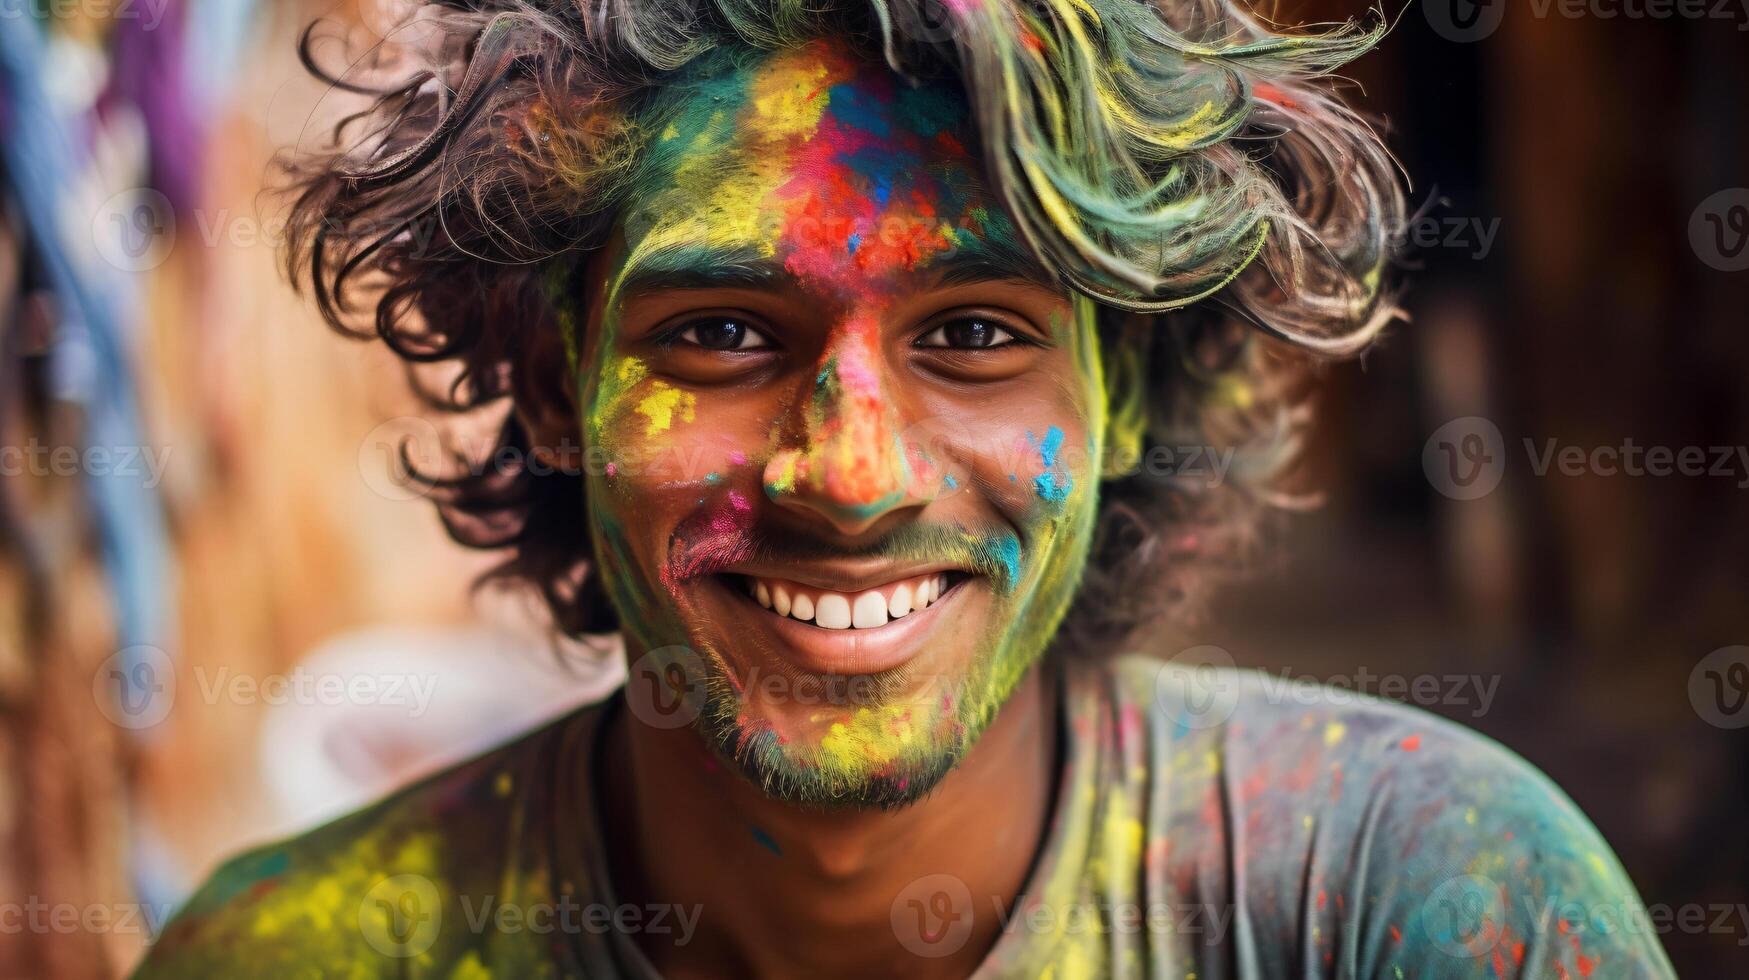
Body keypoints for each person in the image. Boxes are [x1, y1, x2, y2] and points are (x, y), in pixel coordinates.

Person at [137, 0, 1676, 976]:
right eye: (725, 334)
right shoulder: (291, 956)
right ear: (556, 386)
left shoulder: (1422, 904)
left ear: (1120, 390)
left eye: (975, 336)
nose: (851, 476)